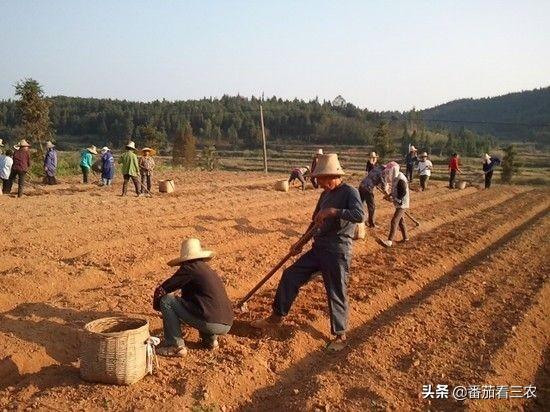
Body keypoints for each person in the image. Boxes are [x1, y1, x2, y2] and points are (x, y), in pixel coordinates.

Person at [251, 154, 364, 351]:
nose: (318, 183)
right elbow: (314, 223)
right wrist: (300, 243)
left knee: (335, 290)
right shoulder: (324, 195)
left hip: (337, 250)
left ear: (332, 175)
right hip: (318, 248)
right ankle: (276, 317)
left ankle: (340, 335)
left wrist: (333, 212)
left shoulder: (349, 192)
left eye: (320, 179)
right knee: (290, 275)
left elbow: (359, 215)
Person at [153, 238, 233, 357]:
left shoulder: (190, 268)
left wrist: (159, 305)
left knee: (167, 300)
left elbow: (163, 289)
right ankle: (211, 341)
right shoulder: (207, 270)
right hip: (226, 323)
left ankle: (175, 346)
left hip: (210, 323)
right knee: (204, 304)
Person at [379, 162, 409, 248]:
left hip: (402, 203)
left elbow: (403, 192)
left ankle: (389, 241)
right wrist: (389, 195)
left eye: (389, 171)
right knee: (401, 221)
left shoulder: (401, 179)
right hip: (399, 203)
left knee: (394, 221)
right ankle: (406, 238)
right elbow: (394, 190)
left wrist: (396, 199)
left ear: (394, 170)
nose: (388, 173)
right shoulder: (396, 178)